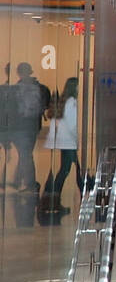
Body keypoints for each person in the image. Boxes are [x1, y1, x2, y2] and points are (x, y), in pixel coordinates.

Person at [42, 77, 82, 211]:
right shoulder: (71, 102)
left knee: (67, 170)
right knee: (70, 170)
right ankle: (53, 199)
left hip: (63, 141)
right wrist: (77, 140)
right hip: (68, 141)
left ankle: (53, 199)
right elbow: (72, 124)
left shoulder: (64, 101)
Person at [10, 63, 51, 192]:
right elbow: (46, 105)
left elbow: (11, 109)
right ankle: (21, 181)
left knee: (25, 154)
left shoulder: (15, 89)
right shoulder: (41, 88)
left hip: (20, 127)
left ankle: (29, 183)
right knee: (25, 154)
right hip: (32, 126)